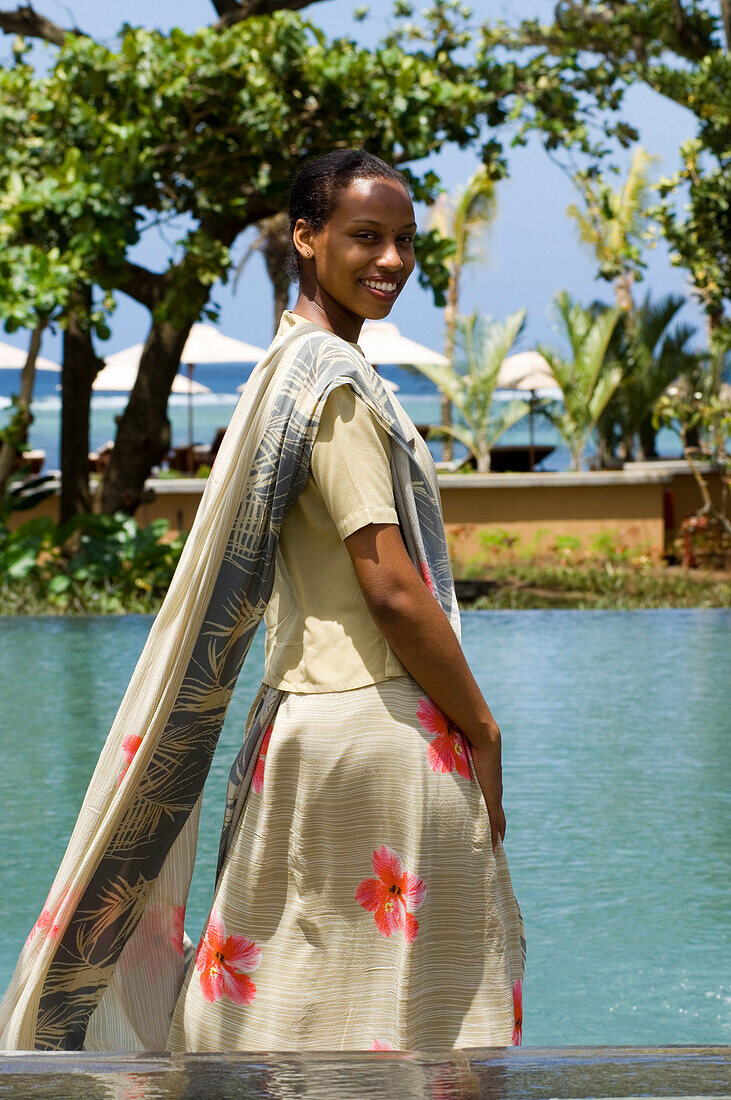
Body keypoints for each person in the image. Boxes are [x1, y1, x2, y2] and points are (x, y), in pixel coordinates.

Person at [0, 150, 523, 1053]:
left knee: (281, 1002)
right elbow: (390, 586)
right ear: (305, 238)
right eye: (365, 237)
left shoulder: (279, 372)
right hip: (379, 732)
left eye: (404, 241)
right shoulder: (338, 387)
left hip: (299, 734)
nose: (391, 261)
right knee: (411, 1015)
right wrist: (481, 727)